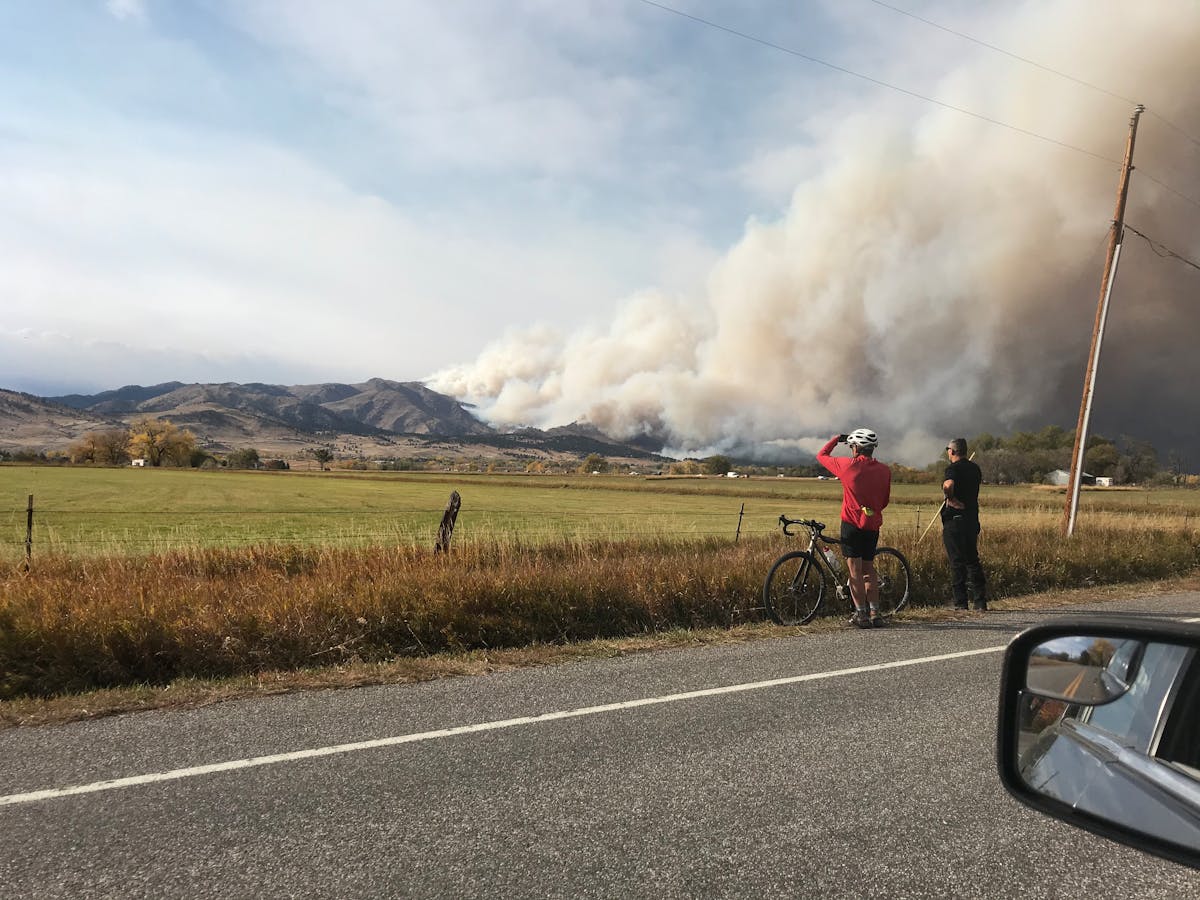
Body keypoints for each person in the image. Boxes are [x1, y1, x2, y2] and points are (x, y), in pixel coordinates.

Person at [817, 428, 892, 628]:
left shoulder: (848, 466)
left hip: (851, 523)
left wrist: (835, 440)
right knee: (869, 569)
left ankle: (861, 615)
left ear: (856, 448)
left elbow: (821, 456)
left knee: (854, 570)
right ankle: (876, 613)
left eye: (851, 446)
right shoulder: (885, 470)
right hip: (873, 524)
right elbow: (884, 501)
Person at [942, 438, 987, 611]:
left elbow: (949, 484)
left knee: (956, 561)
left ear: (952, 451)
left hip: (955, 520)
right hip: (971, 518)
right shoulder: (975, 468)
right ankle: (980, 601)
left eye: (948, 449)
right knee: (972, 559)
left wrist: (951, 498)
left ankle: (961, 602)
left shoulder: (952, 469)